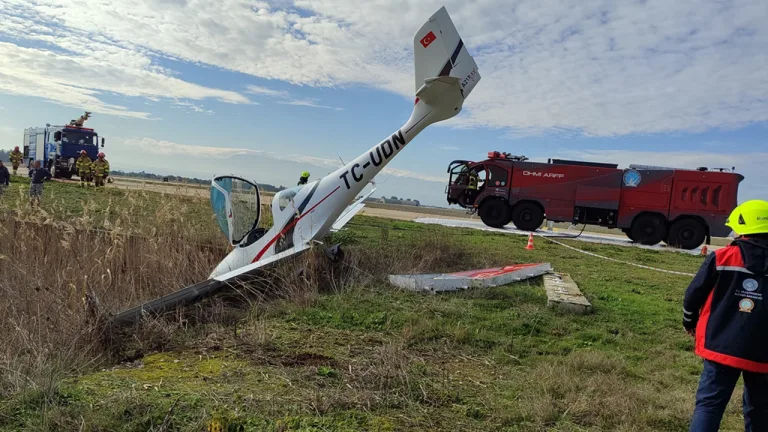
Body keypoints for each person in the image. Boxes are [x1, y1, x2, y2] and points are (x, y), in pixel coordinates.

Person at [684, 199, 768, 431]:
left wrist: (688, 319)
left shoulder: (723, 257)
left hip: (721, 345)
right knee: (760, 409)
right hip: (763, 351)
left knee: (709, 406)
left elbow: (693, 294)